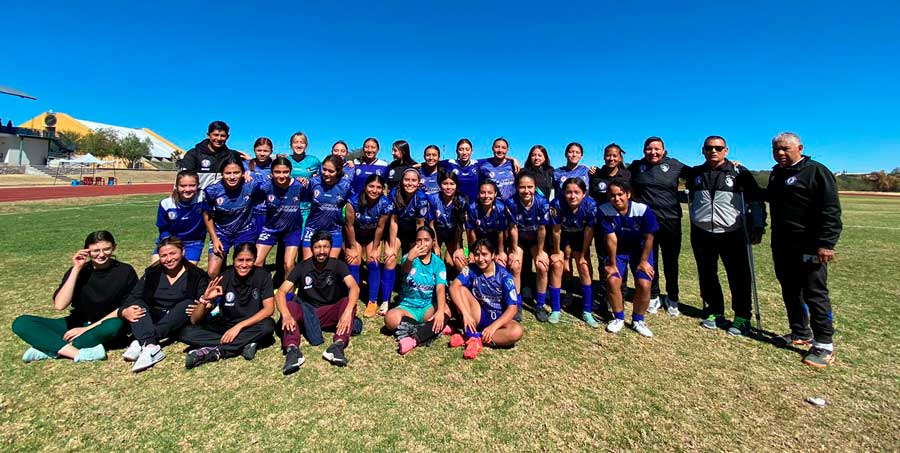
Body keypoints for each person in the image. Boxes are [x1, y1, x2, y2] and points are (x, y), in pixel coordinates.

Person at [766, 132, 842, 368]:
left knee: (814, 292)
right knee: (790, 288)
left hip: (810, 244)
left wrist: (826, 243)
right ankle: (800, 332)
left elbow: (830, 209)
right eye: (776, 149)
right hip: (783, 244)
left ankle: (824, 344)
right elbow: (768, 197)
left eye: (785, 149)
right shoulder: (777, 173)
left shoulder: (816, 171)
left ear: (799, 148)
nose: (780, 153)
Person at [12, 231, 138, 363]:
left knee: (114, 325)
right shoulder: (80, 270)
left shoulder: (125, 271)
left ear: (114, 247)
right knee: (22, 322)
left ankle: (51, 348)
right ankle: (76, 353)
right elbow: (60, 305)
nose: (101, 254)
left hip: (104, 323)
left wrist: (86, 329)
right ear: (86, 250)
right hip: (76, 323)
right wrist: (76, 268)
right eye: (95, 250)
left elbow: (124, 308)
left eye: (107, 249)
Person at [686, 136, 767, 334]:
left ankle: (742, 317)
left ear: (726, 150)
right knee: (707, 274)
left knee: (739, 276)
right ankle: (715, 311)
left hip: (733, 232)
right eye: (709, 148)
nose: (714, 151)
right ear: (703, 150)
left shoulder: (739, 172)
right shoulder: (695, 173)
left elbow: (756, 200)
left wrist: (758, 227)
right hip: (702, 232)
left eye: (718, 148)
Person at [119, 237, 210, 372]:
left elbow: (202, 303)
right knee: (138, 303)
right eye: (163, 255)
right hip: (153, 315)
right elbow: (133, 297)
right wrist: (124, 311)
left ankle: (142, 340)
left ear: (183, 252)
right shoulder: (152, 273)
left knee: (188, 304)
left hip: (178, 318)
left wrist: (201, 307)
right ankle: (150, 345)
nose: (168, 259)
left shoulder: (196, 275)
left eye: (173, 253)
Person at [178, 243, 276, 369]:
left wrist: (239, 327)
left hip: (251, 325)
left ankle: (216, 351)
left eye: (249, 260)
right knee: (186, 333)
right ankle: (246, 343)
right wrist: (205, 299)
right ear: (233, 260)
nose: (244, 265)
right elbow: (194, 320)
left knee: (268, 326)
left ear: (255, 260)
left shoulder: (263, 275)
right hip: (225, 325)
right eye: (240, 260)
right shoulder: (225, 276)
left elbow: (269, 309)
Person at [277, 230, 361, 373]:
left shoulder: (338, 265)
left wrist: (347, 312)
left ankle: (337, 346)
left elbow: (354, 287)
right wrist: (285, 314)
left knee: (348, 302)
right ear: (311, 248)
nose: (321, 251)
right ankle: (292, 350)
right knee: (290, 306)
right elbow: (281, 292)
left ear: (330, 248)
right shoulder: (302, 266)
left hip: (330, 313)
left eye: (325, 247)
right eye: (317, 247)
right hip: (307, 313)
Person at [628, 136, 689, 315]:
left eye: (657, 149)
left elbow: (699, 173)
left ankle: (672, 298)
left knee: (671, 261)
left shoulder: (675, 165)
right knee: (648, 259)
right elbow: (617, 173)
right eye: (649, 149)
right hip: (647, 223)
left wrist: (733, 165)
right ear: (644, 150)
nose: (653, 152)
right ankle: (653, 296)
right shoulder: (637, 167)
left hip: (671, 220)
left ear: (664, 151)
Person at [597, 180, 658, 338]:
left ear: (628, 194)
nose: (616, 198)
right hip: (618, 252)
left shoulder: (642, 209)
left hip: (640, 252)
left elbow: (649, 236)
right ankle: (618, 318)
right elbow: (611, 239)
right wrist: (611, 263)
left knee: (644, 283)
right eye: (612, 195)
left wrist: (644, 261)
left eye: (620, 194)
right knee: (612, 280)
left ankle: (638, 320)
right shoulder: (604, 210)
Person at [449, 238, 524, 360]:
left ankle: (475, 338)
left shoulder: (505, 277)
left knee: (516, 331)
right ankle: (472, 335)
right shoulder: (471, 269)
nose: (480, 259)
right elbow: (453, 287)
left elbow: (512, 309)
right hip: (479, 315)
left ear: (493, 255)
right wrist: (465, 314)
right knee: (461, 289)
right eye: (477, 255)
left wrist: (493, 327)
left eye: (484, 254)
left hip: (499, 321)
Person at [384, 226, 449, 355]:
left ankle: (414, 339)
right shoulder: (409, 258)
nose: (422, 244)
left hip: (427, 307)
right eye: (419, 240)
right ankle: (431, 329)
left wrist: (440, 311)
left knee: (446, 310)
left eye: (426, 240)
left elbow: (440, 289)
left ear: (433, 242)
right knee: (390, 319)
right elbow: (405, 269)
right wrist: (410, 259)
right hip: (408, 307)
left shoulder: (438, 263)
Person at [203, 156, 267, 278]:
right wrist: (214, 238)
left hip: (245, 232)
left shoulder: (251, 185)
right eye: (228, 173)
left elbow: (274, 181)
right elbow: (207, 214)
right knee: (212, 271)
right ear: (222, 173)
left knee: (245, 267)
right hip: (221, 233)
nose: (232, 177)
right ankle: (216, 295)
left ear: (243, 173)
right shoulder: (212, 190)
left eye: (236, 172)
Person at [548, 178, 598, 326]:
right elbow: (556, 231)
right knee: (558, 265)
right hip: (562, 236)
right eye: (569, 192)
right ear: (563, 193)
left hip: (580, 236)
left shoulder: (591, 205)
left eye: (577, 192)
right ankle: (556, 309)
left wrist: (583, 254)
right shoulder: (557, 204)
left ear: (584, 194)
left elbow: (589, 232)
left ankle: (587, 311)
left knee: (584, 267)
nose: (572, 196)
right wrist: (557, 252)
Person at [383, 168, 431, 313]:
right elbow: (394, 221)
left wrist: (419, 245)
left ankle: (408, 295)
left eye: (413, 180)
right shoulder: (394, 193)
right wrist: (392, 245)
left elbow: (419, 224)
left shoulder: (421, 198)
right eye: (407, 180)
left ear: (418, 183)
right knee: (390, 258)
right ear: (401, 181)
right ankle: (385, 300)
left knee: (412, 260)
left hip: (414, 233)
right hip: (398, 230)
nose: (410, 183)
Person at [345, 174, 393, 317]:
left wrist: (374, 248)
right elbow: (349, 226)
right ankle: (352, 299)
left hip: (373, 235)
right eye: (371, 186)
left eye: (379, 187)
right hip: (356, 235)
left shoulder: (385, 203)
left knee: (373, 261)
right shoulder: (352, 201)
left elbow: (380, 228)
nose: (374, 190)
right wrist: (353, 248)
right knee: (354, 260)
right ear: (365, 187)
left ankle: (372, 301)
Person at [506, 172, 551, 322]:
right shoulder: (511, 203)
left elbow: (542, 229)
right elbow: (513, 229)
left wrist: (540, 252)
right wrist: (513, 251)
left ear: (535, 187)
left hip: (535, 240)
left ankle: (540, 305)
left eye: (530, 187)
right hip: (519, 240)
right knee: (515, 266)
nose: (526, 191)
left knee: (541, 266)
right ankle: (517, 305)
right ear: (517, 188)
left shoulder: (542, 202)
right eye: (522, 187)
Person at [254, 157, 305, 276]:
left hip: (292, 230)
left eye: (285, 172)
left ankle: (288, 294)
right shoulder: (265, 187)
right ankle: (258, 291)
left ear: (290, 171)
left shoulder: (299, 186)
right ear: (271, 172)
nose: (281, 176)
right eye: (277, 172)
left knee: (289, 264)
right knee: (256, 262)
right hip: (271, 229)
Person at [301, 155, 353, 260]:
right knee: (308, 264)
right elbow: (305, 202)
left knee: (330, 266)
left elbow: (352, 205)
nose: (326, 173)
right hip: (312, 228)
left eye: (331, 171)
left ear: (338, 171)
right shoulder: (314, 182)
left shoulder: (345, 186)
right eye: (324, 169)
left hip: (334, 230)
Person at [153, 170, 205, 264]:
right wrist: (172, 245)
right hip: (169, 240)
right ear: (176, 186)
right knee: (154, 270)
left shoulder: (204, 198)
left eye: (192, 185)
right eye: (183, 186)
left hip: (193, 242)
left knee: (187, 274)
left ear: (198, 186)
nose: (188, 189)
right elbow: (163, 229)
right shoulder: (166, 204)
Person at [179, 121, 242, 190]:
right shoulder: (193, 154)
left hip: (223, 198)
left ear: (227, 137)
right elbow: (182, 179)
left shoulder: (232, 155)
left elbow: (245, 173)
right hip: (200, 198)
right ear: (208, 135)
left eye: (223, 136)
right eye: (215, 135)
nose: (219, 138)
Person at [428, 170, 468, 277]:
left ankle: (468, 282)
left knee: (458, 262)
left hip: (453, 237)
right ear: (440, 185)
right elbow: (431, 225)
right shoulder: (433, 199)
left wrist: (460, 248)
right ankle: (434, 283)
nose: (448, 187)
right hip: (436, 234)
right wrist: (435, 245)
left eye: (452, 184)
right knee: (434, 259)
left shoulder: (461, 201)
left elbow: (461, 227)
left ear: (456, 185)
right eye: (445, 184)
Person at [465, 180, 511, 267]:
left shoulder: (501, 208)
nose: (486, 196)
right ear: (478, 194)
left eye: (490, 193)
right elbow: (472, 232)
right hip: (479, 242)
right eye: (482, 193)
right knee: (473, 264)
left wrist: (501, 252)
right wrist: (473, 252)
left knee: (501, 263)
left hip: (495, 242)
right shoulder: (472, 208)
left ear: (495, 194)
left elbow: (501, 232)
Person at [245, 137, 275, 238]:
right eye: (259, 150)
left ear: (271, 151)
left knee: (262, 246)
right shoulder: (245, 165)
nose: (262, 153)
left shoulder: (275, 167)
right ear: (254, 150)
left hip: (267, 213)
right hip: (248, 213)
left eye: (266, 151)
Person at [439, 138, 480, 203]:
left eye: (467, 149)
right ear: (457, 151)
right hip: (456, 206)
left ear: (472, 151)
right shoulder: (450, 163)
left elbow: (494, 160)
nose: (464, 153)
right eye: (461, 149)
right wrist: (417, 166)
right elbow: (432, 162)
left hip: (474, 206)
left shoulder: (477, 164)